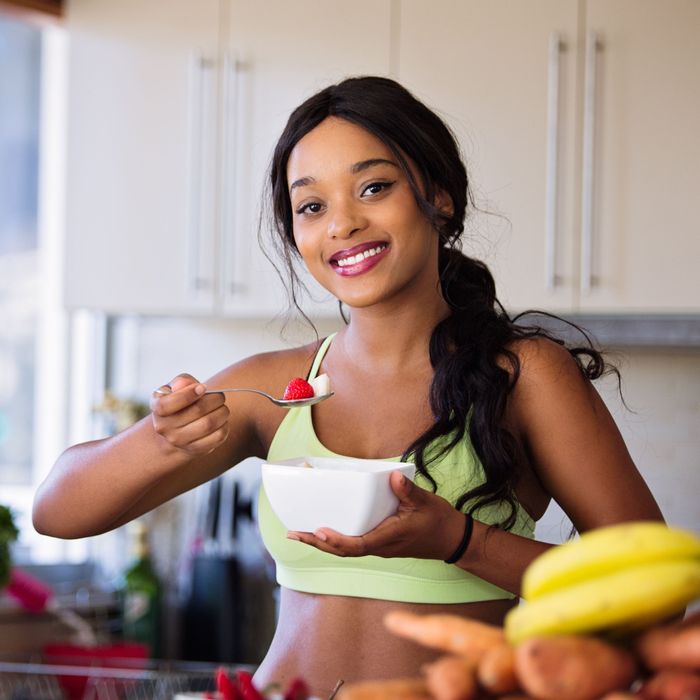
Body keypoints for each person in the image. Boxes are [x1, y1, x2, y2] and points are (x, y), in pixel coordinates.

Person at [33, 76, 663, 696]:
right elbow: (58, 512)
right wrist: (163, 440)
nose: (343, 223)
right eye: (312, 205)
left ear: (438, 197)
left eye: (374, 187)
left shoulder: (523, 375)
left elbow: (652, 598)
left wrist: (460, 540)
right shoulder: (275, 387)